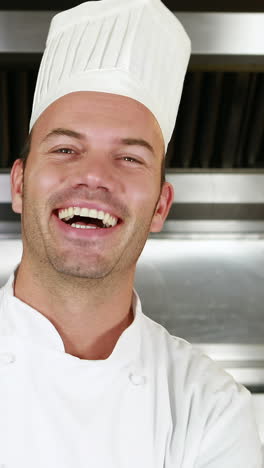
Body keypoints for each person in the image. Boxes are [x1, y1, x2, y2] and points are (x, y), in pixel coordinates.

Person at [0, 0, 262, 467]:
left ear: (160, 206)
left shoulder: (210, 409)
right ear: (19, 185)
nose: (94, 177)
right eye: (65, 148)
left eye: (129, 158)